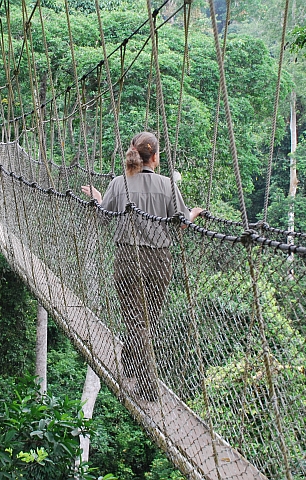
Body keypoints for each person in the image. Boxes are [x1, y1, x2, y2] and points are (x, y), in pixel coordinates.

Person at [81, 132, 202, 402]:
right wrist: (192, 213)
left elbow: (103, 219)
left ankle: (132, 366)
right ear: (155, 157)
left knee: (135, 320)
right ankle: (146, 383)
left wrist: (101, 199)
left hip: (126, 258)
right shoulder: (167, 185)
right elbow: (183, 223)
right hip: (159, 261)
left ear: (133, 153)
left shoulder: (119, 183)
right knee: (148, 322)